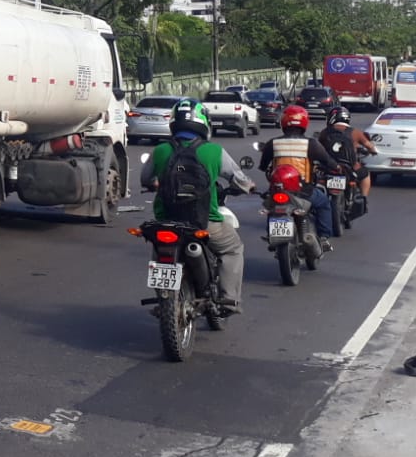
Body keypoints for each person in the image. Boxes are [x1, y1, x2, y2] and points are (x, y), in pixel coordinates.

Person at [139, 99, 253, 315]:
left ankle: (163, 298)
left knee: (159, 252)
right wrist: (249, 186)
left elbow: (145, 179)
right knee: (233, 249)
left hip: (166, 220)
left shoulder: (161, 150)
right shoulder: (214, 151)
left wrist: (156, 183)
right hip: (204, 222)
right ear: (203, 123)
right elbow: (239, 180)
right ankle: (228, 298)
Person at [260, 105, 337, 247]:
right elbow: (327, 161)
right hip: (304, 192)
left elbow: (263, 166)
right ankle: (324, 238)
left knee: (271, 205)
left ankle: (270, 233)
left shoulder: (273, 143)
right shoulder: (311, 144)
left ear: (283, 122)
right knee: (324, 204)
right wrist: (337, 167)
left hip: (279, 191)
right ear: (304, 123)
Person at [318, 105, 377, 199]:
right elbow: (370, 146)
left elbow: (319, 147)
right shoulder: (355, 133)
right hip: (350, 168)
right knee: (365, 174)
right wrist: (372, 151)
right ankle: (364, 198)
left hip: (329, 167)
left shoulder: (325, 132)